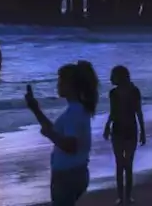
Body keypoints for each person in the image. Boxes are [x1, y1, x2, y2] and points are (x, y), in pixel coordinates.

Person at [24, 61, 99, 206]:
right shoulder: (78, 110)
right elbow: (56, 132)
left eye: (61, 81)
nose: (58, 85)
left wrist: (50, 135)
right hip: (77, 172)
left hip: (67, 175)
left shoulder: (74, 112)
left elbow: (70, 146)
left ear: (71, 86)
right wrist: (35, 109)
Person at [103, 65, 145, 205]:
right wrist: (107, 125)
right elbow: (113, 111)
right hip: (117, 131)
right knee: (120, 164)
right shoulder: (113, 93)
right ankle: (121, 197)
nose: (110, 79)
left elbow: (138, 111)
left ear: (120, 77)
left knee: (128, 165)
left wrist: (143, 132)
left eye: (113, 76)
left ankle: (128, 196)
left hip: (131, 130)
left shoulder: (134, 91)